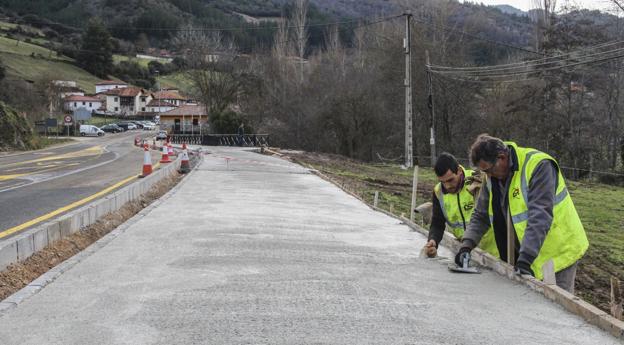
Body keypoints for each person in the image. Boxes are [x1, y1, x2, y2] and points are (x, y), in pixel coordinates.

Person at [455, 134, 588, 293]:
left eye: (489, 170)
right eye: (484, 172)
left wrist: (525, 259)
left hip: (558, 251)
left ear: (502, 157)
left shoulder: (539, 166)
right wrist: (466, 245)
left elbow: (540, 217)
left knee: (555, 308)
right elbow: (481, 214)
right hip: (530, 252)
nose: (487, 176)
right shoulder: (492, 176)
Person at [423, 153, 499, 259]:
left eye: (450, 180)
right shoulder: (438, 192)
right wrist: (433, 240)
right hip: (463, 252)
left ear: (458, 170)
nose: (447, 186)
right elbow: (437, 223)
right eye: (442, 182)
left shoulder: (479, 180)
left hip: (492, 252)